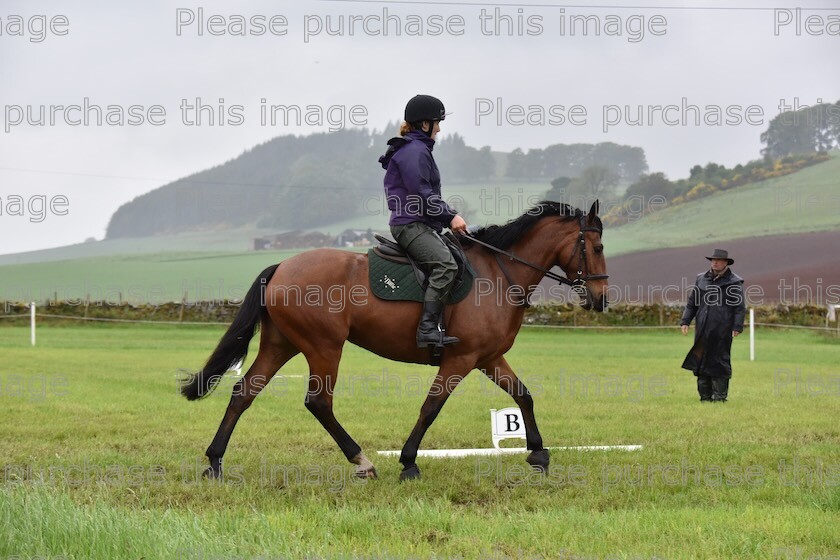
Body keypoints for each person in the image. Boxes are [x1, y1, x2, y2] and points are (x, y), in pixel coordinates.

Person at [379, 94, 468, 348]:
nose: (439, 129)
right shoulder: (414, 152)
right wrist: (450, 216)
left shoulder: (417, 150)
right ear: (423, 125)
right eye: (436, 123)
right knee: (446, 266)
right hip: (410, 224)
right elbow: (422, 194)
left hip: (419, 222)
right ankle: (427, 330)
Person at [680, 249, 746, 402]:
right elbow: (692, 302)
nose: (715, 262)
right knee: (700, 360)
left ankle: (720, 397)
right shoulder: (701, 279)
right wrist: (685, 321)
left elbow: (739, 307)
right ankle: (705, 397)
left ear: (726, 263)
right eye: (713, 260)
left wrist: (737, 326)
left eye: (718, 260)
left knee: (719, 361)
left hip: (722, 330)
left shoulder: (734, 282)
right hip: (702, 328)